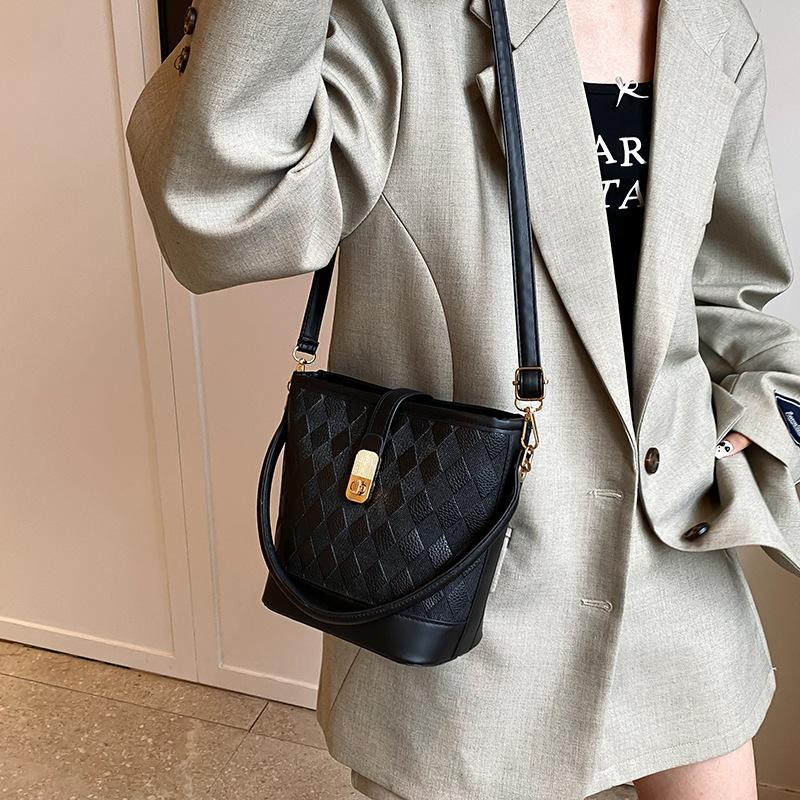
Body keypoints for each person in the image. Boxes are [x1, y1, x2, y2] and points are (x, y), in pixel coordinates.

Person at [125, 0, 800, 798]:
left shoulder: (715, 28)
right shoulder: (406, 16)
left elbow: (728, 294)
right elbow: (218, 214)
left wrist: (764, 420)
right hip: (462, 585)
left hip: (677, 565)